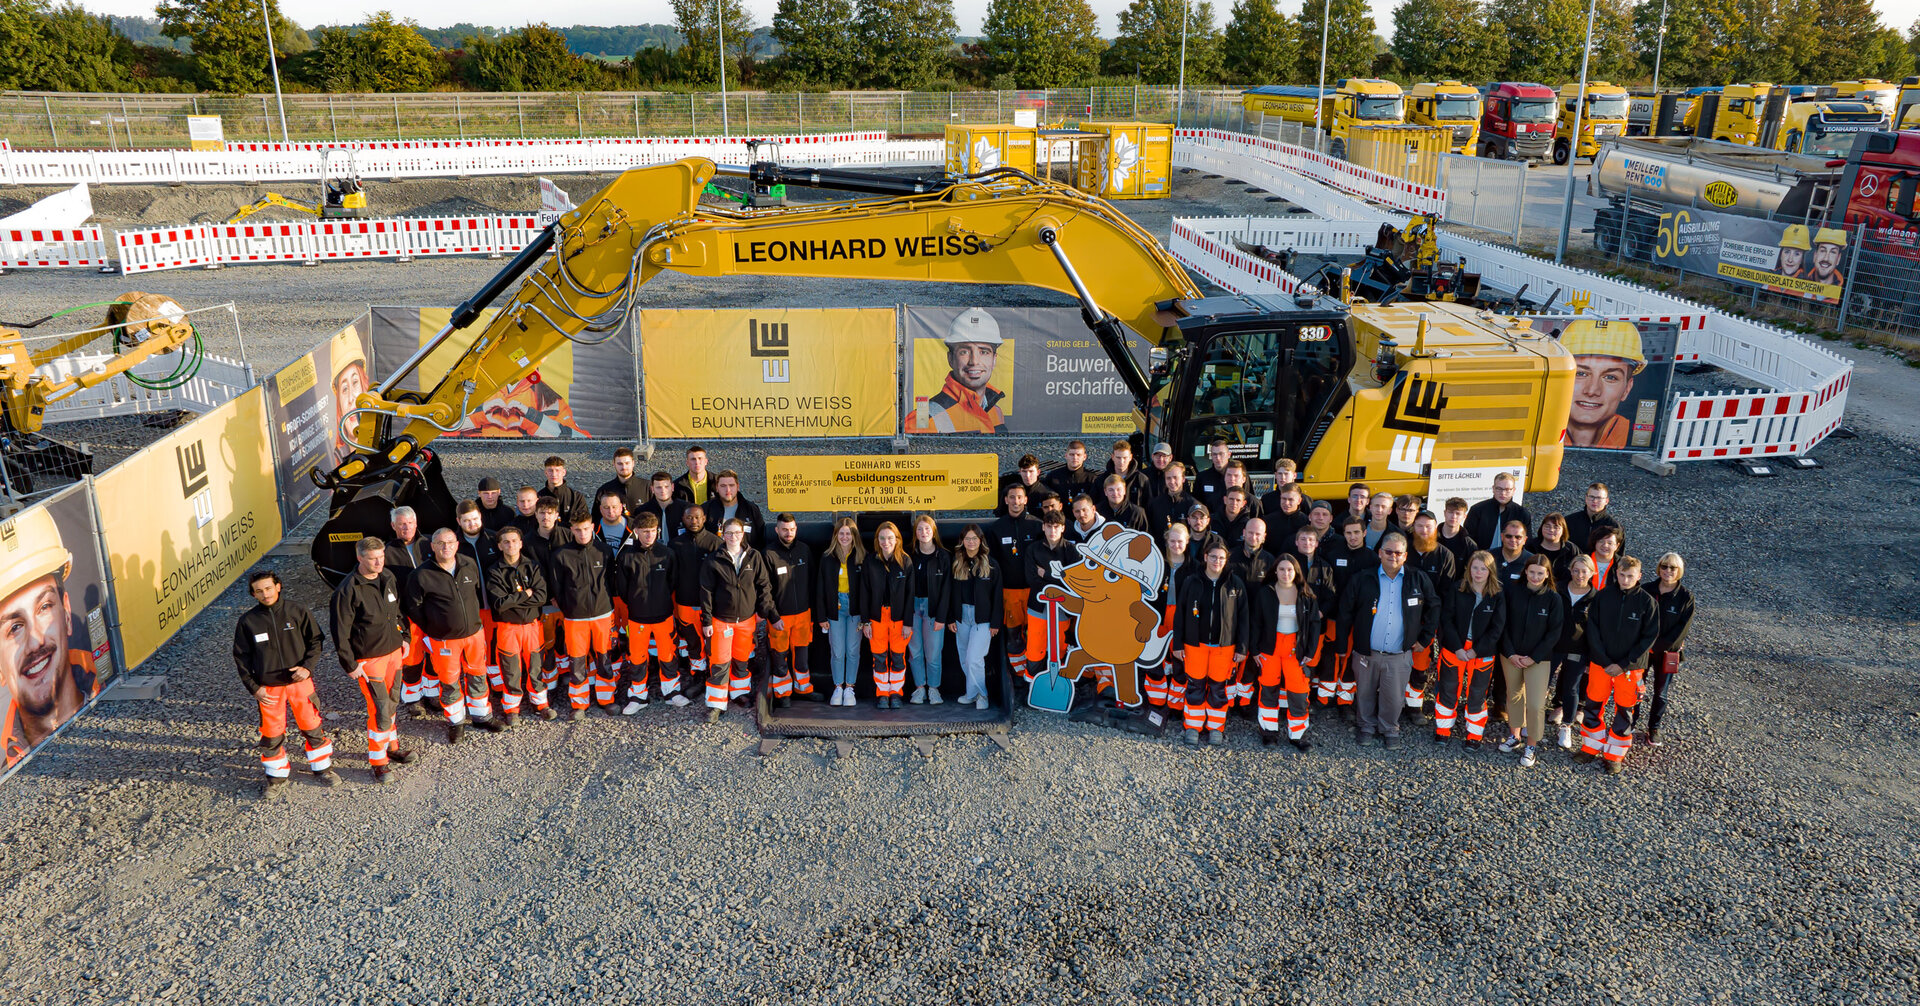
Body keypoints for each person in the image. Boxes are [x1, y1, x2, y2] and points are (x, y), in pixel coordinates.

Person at [0, 507, 98, 766]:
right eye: (14, 628)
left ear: (66, 613)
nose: (36, 641)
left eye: (44, 608)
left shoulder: (107, 686)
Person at [235, 570, 337, 792]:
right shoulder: (248, 621)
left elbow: (316, 641)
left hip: (300, 683)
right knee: (271, 734)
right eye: (259, 591)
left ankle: (322, 769)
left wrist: (307, 668)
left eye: (269, 588)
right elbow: (241, 658)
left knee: (312, 726)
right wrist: (254, 688)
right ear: (253, 595)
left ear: (278, 586)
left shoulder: (297, 610)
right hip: (268, 689)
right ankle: (276, 777)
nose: (265, 594)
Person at [1337, 533, 1440, 748]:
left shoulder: (1417, 578)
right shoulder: (1363, 578)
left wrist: (1425, 638)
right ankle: (1366, 726)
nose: (1393, 556)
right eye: (1389, 551)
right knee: (1364, 693)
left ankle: (1390, 728)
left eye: (1398, 553)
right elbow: (1345, 612)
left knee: (1393, 697)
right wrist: (1342, 644)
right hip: (1367, 651)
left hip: (1399, 653)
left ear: (1405, 556)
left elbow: (1434, 607)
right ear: (1380, 553)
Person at [330, 538, 417, 783]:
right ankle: (379, 762)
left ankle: (392, 746)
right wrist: (350, 664)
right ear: (360, 558)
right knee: (379, 709)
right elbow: (340, 631)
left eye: (381, 556)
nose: (378, 562)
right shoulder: (348, 590)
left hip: (394, 654)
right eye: (372, 558)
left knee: (391, 702)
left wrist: (405, 636)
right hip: (369, 661)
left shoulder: (387, 577)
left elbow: (398, 612)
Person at [407, 529, 506, 741]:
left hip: (473, 635)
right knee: (450, 681)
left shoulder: (468, 565)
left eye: (450, 542)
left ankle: (481, 715)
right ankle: (456, 722)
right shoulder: (421, 575)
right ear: (432, 546)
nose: (446, 547)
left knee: (478, 675)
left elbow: (477, 595)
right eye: (441, 543)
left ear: (457, 544)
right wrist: (434, 628)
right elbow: (414, 608)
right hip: (444, 640)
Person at [1578, 555, 1660, 773]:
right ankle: (1590, 747)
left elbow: (1648, 637)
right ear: (1616, 573)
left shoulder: (1647, 602)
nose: (1625, 579)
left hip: (1630, 669)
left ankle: (1614, 754)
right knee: (1593, 705)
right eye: (1622, 575)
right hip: (1601, 664)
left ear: (1639, 576)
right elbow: (1592, 629)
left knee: (1625, 711)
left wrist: (1623, 664)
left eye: (1630, 576)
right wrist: (1604, 660)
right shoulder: (1603, 596)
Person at [700, 518, 779, 723]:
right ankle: (716, 704)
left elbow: (764, 586)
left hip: (746, 620)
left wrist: (764, 611)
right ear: (723, 535)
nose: (733, 537)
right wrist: (707, 621)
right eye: (729, 533)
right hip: (721, 620)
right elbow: (706, 592)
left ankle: (739, 693)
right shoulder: (714, 559)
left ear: (743, 534)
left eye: (737, 533)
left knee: (742, 659)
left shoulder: (754, 557)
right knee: (719, 661)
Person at [1170, 542, 1249, 746]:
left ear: (1227, 560)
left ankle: (1215, 727)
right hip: (1195, 645)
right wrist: (1177, 644)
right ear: (1205, 557)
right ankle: (1193, 726)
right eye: (1213, 557)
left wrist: (1241, 647)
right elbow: (1180, 614)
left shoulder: (1235, 584)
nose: (1217, 561)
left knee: (1218, 688)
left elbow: (1243, 618)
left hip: (1224, 646)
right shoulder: (1191, 581)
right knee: (1195, 686)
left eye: (1221, 558)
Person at [1435, 551, 1507, 749]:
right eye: (1475, 567)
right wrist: (1458, 647)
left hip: (1481, 652)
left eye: (1483, 568)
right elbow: (1446, 620)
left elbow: (1497, 628)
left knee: (1477, 692)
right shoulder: (1458, 588)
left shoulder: (1498, 593)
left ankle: (1474, 734)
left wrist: (1477, 650)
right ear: (1469, 568)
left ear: (1490, 570)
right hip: (1454, 648)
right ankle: (1443, 729)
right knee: (1448, 688)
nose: (1478, 572)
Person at [549, 514, 617, 721]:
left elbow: (611, 581)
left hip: (603, 614)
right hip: (575, 618)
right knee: (577, 661)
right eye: (577, 530)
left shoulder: (604, 550)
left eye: (586, 529)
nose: (582, 533)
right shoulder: (561, 554)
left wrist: (606, 603)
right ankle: (579, 703)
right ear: (571, 530)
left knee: (604, 657)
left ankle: (607, 699)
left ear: (593, 528)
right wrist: (570, 607)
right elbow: (556, 587)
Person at [1250, 553, 1321, 752]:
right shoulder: (1266, 592)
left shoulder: (1305, 594)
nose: (1285, 573)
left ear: (1296, 571)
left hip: (1295, 649)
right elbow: (1256, 622)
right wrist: (1254, 649)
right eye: (1281, 569)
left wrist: (1310, 651)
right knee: (1268, 690)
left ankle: (1298, 735)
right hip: (1270, 647)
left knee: (1298, 692)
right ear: (1275, 571)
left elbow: (1315, 624)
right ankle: (1269, 732)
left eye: (1289, 569)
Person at [1499, 554, 1563, 768]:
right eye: (1532, 572)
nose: (1535, 576)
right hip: (1511, 655)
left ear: (1547, 575)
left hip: (1538, 659)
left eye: (1540, 573)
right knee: (1514, 696)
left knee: (1535, 704)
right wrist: (1510, 653)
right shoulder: (1511, 592)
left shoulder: (1554, 599)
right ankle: (1515, 736)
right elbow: (1502, 624)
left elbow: (1554, 633)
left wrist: (1533, 657)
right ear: (1526, 571)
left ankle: (1531, 745)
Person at [612, 513, 678, 713]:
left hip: (663, 616)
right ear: (636, 532)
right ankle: (638, 696)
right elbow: (622, 589)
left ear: (657, 531)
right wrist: (636, 602)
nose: (649, 536)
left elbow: (672, 583)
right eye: (644, 532)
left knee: (667, 654)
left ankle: (672, 692)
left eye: (652, 531)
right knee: (638, 657)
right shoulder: (626, 556)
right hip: (637, 617)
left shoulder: (667, 554)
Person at [487, 525, 554, 723]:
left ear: (521, 543)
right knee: (511, 669)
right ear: (499, 546)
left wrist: (513, 599)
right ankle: (512, 709)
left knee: (535, 666)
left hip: (532, 626)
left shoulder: (532, 566)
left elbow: (541, 596)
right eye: (506, 542)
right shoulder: (494, 571)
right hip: (508, 628)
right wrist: (525, 594)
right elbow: (499, 604)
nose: (511, 545)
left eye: (515, 541)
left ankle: (540, 703)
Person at [906, 307, 1007, 433]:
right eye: (964, 352)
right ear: (950, 358)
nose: (974, 361)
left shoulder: (996, 412)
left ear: (994, 360)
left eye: (984, 352)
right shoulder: (921, 419)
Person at [383, 506, 436, 714]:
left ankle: (433, 694)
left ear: (416, 523)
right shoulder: (387, 552)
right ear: (393, 526)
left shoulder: (429, 544)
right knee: (412, 658)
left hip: (433, 612)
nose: (406, 527)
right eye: (401, 524)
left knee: (434, 655)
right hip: (408, 614)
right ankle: (413, 697)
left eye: (410, 523)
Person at [1560, 321, 1646, 449]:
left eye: (1610, 377)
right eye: (1581, 374)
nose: (1592, 390)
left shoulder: (1634, 439)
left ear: (1627, 389)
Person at [1319, 515, 1376, 706]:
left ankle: (1345, 700)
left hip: (1360, 618)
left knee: (1353, 657)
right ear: (1343, 534)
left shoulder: (1372, 559)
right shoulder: (1333, 554)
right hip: (1334, 616)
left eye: (1357, 533)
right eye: (1349, 533)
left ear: (1364, 533)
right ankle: (1324, 697)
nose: (1353, 537)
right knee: (1331, 654)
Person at [764, 514, 819, 707]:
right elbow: (765, 589)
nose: (789, 533)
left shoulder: (804, 550)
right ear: (777, 530)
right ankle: (782, 693)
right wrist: (773, 615)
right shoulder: (768, 553)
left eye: (792, 529)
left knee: (802, 654)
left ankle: (803, 688)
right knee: (780, 655)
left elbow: (813, 581)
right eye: (785, 529)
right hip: (780, 616)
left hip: (803, 614)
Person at [1405, 511, 1456, 715]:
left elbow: (1446, 594)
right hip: (1402, 618)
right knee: (1396, 663)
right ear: (1413, 527)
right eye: (1419, 526)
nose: (1424, 530)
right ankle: (1396, 702)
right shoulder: (1403, 550)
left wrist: (1431, 625)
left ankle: (1414, 706)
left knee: (1420, 664)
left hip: (1429, 620)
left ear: (1435, 528)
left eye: (1428, 526)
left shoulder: (1445, 555)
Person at [946, 525, 1002, 709]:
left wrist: (995, 622)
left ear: (980, 540)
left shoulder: (991, 564)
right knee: (964, 658)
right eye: (967, 538)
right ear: (962, 541)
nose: (971, 542)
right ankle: (971, 694)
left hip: (983, 619)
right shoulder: (956, 563)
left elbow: (997, 596)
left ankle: (982, 695)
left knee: (974, 659)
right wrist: (951, 618)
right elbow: (949, 593)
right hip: (962, 616)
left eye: (974, 538)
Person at [861, 522, 915, 709]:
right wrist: (865, 622)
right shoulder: (870, 561)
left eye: (890, 538)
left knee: (898, 657)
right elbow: (864, 592)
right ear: (877, 540)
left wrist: (908, 623)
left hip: (899, 618)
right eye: (882, 538)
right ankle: (882, 693)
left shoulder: (905, 561)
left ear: (897, 539)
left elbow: (910, 595)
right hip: (876, 618)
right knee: (879, 657)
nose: (886, 542)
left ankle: (896, 693)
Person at [1644, 552, 1694, 747]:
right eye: (1664, 566)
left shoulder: (1685, 597)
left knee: (1661, 692)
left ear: (1679, 570)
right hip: (1642, 651)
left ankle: (1653, 728)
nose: (1667, 571)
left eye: (1672, 568)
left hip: (1667, 653)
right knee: (1636, 689)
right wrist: (1643, 646)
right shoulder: (1646, 589)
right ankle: (1629, 724)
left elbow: (1681, 630)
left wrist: (1656, 647)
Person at [1142, 522, 1193, 712]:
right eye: (1172, 541)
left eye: (1180, 541)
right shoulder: (1156, 562)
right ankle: (1156, 700)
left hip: (1181, 618)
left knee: (1179, 661)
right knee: (1155, 659)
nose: (1176, 545)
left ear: (1187, 541)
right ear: (1166, 540)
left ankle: (1176, 704)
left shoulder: (1193, 567)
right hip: (1158, 616)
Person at [816, 518, 867, 707]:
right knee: (837, 651)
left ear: (854, 536)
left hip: (855, 610)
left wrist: (866, 616)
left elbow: (868, 589)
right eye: (842, 533)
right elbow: (820, 587)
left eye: (849, 533)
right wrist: (821, 616)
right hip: (834, 607)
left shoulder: (862, 556)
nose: (845, 537)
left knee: (853, 650)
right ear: (836, 535)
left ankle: (849, 688)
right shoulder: (827, 557)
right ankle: (838, 686)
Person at [671, 507, 721, 693]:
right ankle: (698, 675)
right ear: (683, 518)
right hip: (685, 603)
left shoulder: (716, 543)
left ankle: (716, 676)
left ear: (704, 518)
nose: (694, 521)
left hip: (711, 604)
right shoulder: (675, 544)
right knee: (693, 642)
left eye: (697, 517)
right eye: (689, 517)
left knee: (714, 642)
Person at [1022, 514, 1076, 684]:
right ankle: (1032, 683)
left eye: (1056, 526)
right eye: (1049, 526)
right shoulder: (1033, 549)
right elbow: (1032, 579)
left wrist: (1046, 574)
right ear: (1043, 527)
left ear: (1063, 528)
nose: (1053, 530)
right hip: (1038, 606)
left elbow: (1072, 582)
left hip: (1063, 606)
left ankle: (1058, 684)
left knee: (1059, 646)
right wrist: (1058, 578)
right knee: (1035, 646)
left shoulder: (1070, 550)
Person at [1552, 554, 1599, 750]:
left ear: (1592, 573)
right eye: (1576, 570)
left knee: (1571, 688)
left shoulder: (1596, 598)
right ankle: (1532, 721)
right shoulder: (1558, 589)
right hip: (1553, 646)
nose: (1580, 575)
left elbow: (1596, 629)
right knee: (1542, 683)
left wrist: (1591, 657)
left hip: (1578, 649)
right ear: (1571, 570)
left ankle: (1566, 726)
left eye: (1584, 571)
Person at [905, 514, 951, 704]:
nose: (923, 532)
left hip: (933, 609)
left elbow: (947, 588)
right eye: (919, 529)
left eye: (927, 529)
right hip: (913, 607)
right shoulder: (908, 555)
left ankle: (933, 688)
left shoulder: (943, 556)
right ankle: (919, 688)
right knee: (915, 650)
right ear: (915, 533)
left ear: (933, 531)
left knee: (933, 652)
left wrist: (941, 616)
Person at [700, 470, 767, 550]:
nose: (728, 490)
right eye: (723, 486)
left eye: (731, 485)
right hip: (716, 559)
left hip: (746, 559)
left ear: (737, 487)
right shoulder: (706, 509)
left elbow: (761, 539)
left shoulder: (751, 509)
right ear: (717, 488)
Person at [1464, 473, 1531, 551]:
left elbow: (1527, 542)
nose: (1503, 493)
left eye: (1507, 489)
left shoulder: (1522, 513)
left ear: (1513, 490)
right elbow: (1468, 538)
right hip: (1480, 558)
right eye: (1499, 489)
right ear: (1493, 489)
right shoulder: (1477, 509)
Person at [1562, 483, 1622, 558]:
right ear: (1586, 498)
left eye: (1599, 498)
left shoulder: (1614, 526)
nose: (1595, 501)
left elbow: (1619, 556)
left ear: (1606, 501)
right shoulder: (1569, 521)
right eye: (1592, 497)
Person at [538, 456, 592, 526]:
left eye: (557, 470)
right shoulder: (539, 497)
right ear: (545, 473)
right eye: (550, 470)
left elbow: (582, 523)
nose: (554, 474)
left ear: (564, 472)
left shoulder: (576, 498)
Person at [596, 447, 647, 519]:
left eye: (627, 463)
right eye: (620, 464)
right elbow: (596, 518)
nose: (624, 467)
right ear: (614, 464)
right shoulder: (604, 490)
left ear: (633, 463)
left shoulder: (647, 487)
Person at [1147, 463, 1195, 536]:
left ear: (1183, 479)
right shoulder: (1154, 504)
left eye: (1175, 477)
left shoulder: (1192, 505)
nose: (1172, 482)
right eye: (1168, 478)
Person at [1530, 512, 1578, 584]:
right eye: (1547, 526)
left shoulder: (1571, 549)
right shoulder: (1530, 546)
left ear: (1563, 530)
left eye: (1556, 527)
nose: (1551, 530)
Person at [1261, 482, 1311, 547]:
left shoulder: (1306, 523)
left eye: (1290, 500)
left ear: (1299, 501)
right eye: (1284, 499)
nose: (1286, 503)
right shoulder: (1268, 521)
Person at [639, 471, 688, 537]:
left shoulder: (685, 508)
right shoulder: (643, 511)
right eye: (658, 487)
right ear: (652, 489)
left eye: (666, 487)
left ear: (672, 487)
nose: (663, 491)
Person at [1193, 439, 1233, 518]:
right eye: (1214, 454)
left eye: (1221, 454)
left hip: (1233, 523)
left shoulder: (1238, 476)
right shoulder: (1202, 477)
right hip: (1210, 523)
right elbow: (1196, 504)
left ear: (1229, 454)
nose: (1218, 458)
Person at [1104, 440, 1152, 505]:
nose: (1121, 461)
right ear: (1112, 457)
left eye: (1125, 458)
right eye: (1118, 458)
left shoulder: (1142, 480)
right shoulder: (1102, 480)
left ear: (1130, 457)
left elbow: (1148, 506)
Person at [1438, 497, 1477, 571]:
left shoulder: (1469, 545)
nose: (1454, 516)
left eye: (1458, 513)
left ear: (1464, 517)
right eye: (1450, 512)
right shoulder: (1431, 539)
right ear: (1445, 513)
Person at [1588, 525, 1624, 591]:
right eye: (1601, 541)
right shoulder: (1583, 560)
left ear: (1617, 545)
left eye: (1610, 543)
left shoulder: (1622, 564)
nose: (1605, 545)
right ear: (1595, 542)